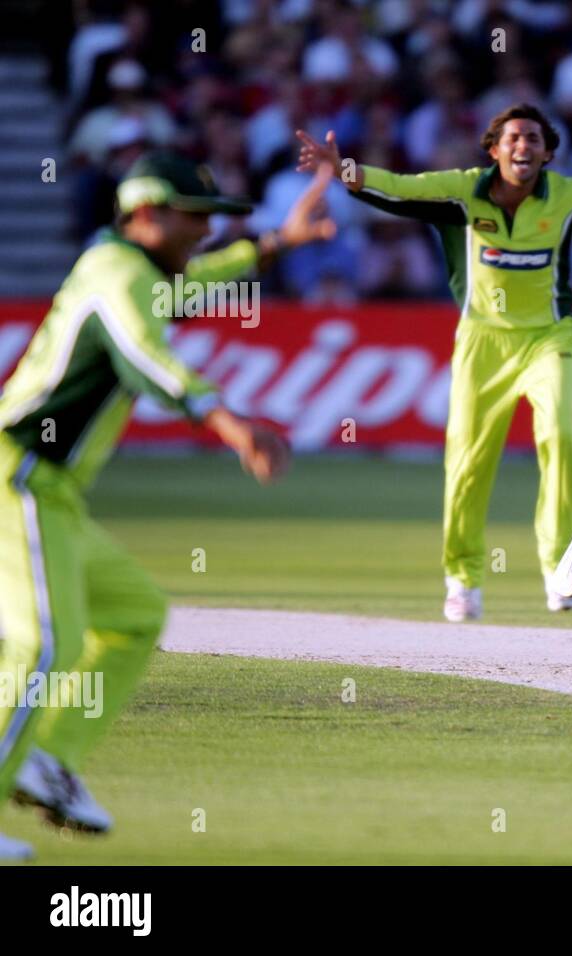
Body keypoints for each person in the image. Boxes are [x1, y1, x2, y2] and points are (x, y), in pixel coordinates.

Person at [0, 153, 335, 861]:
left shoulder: (140, 274)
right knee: (43, 646)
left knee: (132, 616)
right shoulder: (115, 273)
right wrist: (231, 424)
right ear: (147, 213)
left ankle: (47, 758)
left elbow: (195, 289)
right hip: (17, 473)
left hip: (51, 491)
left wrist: (277, 243)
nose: (207, 231)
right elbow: (147, 359)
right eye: (197, 216)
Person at [297, 104, 572, 621]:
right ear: (493, 148)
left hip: (550, 338)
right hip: (482, 342)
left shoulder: (566, 196)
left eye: (534, 139)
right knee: (467, 465)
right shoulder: (460, 191)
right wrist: (343, 169)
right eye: (514, 138)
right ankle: (463, 579)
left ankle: (560, 569)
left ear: (547, 153)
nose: (524, 147)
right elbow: (397, 189)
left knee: (561, 440)